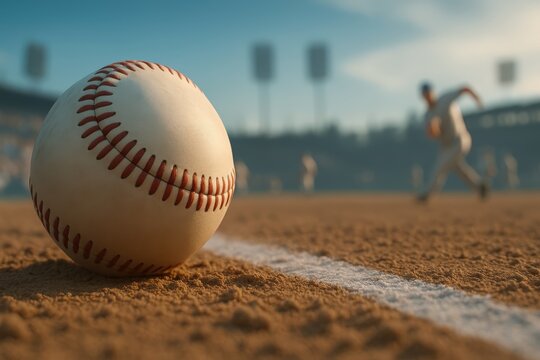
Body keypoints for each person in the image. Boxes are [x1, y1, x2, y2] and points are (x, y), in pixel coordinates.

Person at [417, 82, 489, 202]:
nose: (428, 97)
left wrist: (477, 98)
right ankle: (480, 186)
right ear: (423, 97)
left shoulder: (445, 99)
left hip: (460, 140)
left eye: (429, 93)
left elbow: (465, 88)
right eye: (425, 95)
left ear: (433, 92)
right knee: (460, 170)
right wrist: (434, 130)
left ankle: (427, 194)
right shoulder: (428, 115)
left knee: (440, 167)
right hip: (446, 146)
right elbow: (433, 135)